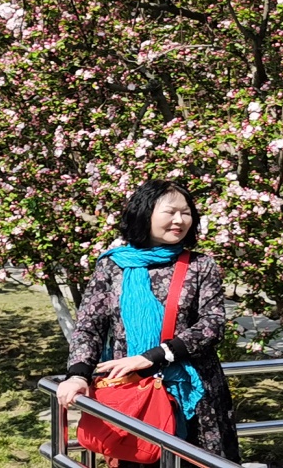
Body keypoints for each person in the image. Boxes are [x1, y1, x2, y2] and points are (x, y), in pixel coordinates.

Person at [55, 180, 241, 466]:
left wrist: (150, 357)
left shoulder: (200, 266)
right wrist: (78, 374)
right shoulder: (112, 266)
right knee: (138, 460)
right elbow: (90, 326)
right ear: (144, 214)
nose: (180, 220)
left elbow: (212, 324)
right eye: (170, 212)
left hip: (194, 396)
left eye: (186, 212)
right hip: (131, 395)